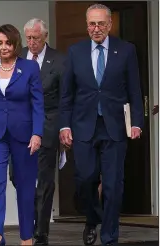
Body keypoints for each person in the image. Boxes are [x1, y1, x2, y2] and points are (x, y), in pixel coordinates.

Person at [59, 3, 144, 246]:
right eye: (91, 24)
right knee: (85, 179)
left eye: (100, 24)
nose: (96, 28)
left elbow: (135, 90)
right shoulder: (75, 52)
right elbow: (67, 94)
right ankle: (92, 217)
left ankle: (109, 237)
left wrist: (137, 122)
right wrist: (65, 125)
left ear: (110, 24)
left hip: (114, 127)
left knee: (113, 185)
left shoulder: (125, 50)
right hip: (84, 126)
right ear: (87, 26)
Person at [0, 24, 44, 246]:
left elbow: (38, 104)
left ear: (15, 44)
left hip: (24, 135)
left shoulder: (30, 68)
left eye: (8, 43)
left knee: (24, 185)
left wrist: (37, 133)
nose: (3, 47)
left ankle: (26, 237)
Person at [8, 18, 65, 245]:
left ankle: (40, 233)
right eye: (29, 38)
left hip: (47, 127)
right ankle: (33, 218)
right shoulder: (17, 57)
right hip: (19, 128)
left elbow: (64, 98)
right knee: (17, 176)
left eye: (36, 38)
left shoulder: (60, 60)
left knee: (44, 181)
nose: (31, 42)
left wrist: (63, 127)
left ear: (45, 37)